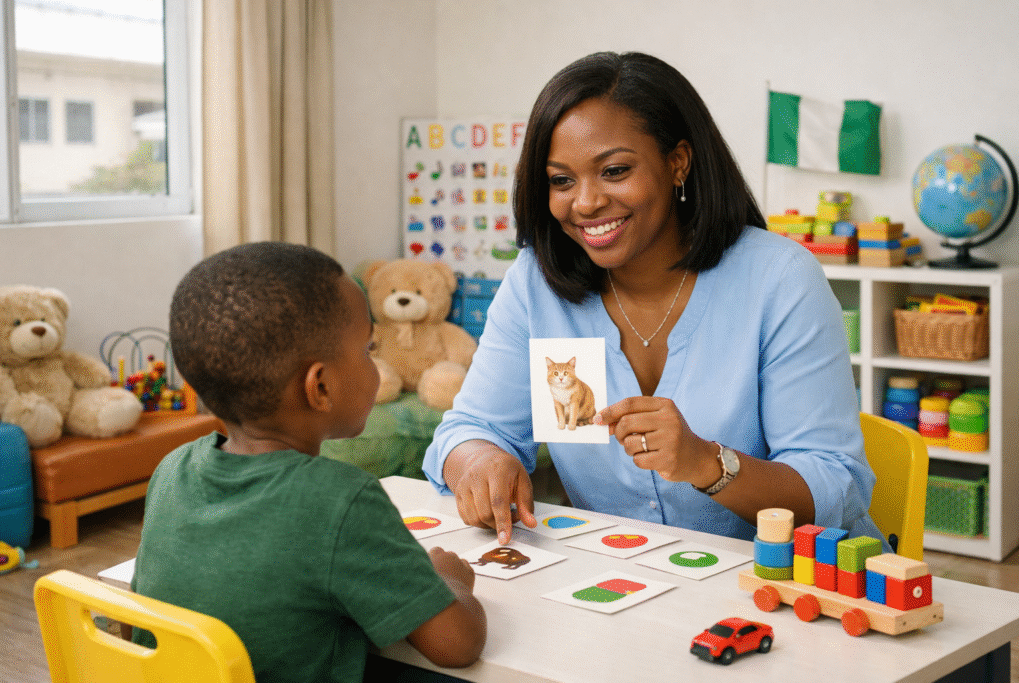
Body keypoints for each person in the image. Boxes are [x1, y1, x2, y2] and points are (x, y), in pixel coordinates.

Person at [423, 51, 886, 550]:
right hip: (632, 582)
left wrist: (707, 464)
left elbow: (836, 486)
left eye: (615, 171)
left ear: (677, 163)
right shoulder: (536, 282)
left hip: (792, 584)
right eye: (561, 180)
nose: (585, 202)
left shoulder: (779, 278)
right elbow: (471, 428)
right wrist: (481, 458)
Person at [132, 242, 486, 682]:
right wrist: (449, 581)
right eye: (368, 350)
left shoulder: (173, 469)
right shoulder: (340, 499)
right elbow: (458, 644)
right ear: (319, 387)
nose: (375, 364)